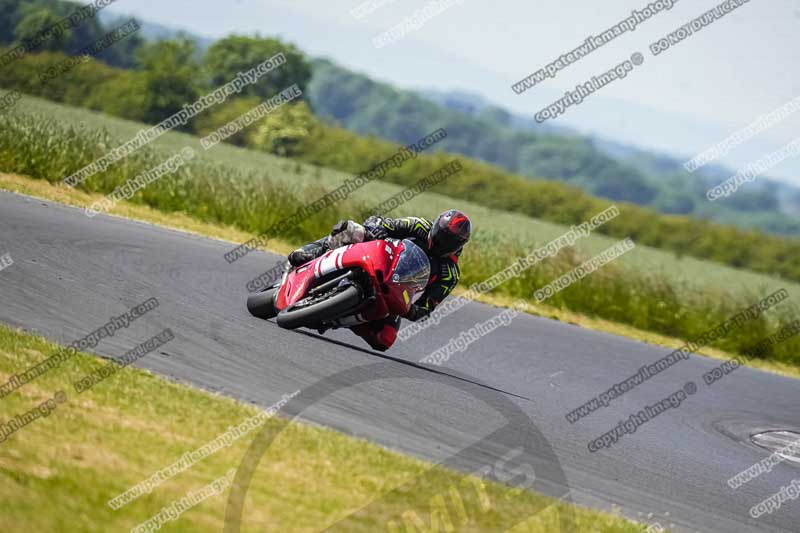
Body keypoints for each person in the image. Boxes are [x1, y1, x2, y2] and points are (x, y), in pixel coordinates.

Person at [287, 210, 472, 351]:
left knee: (385, 340)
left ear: (458, 245)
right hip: (377, 256)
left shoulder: (449, 274)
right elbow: (381, 222)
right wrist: (377, 229)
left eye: (447, 241)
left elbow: (427, 307)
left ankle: (338, 319)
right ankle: (312, 251)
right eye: (439, 234)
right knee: (353, 230)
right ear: (435, 227)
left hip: (395, 290)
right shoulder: (418, 225)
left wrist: (411, 310)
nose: (439, 242)